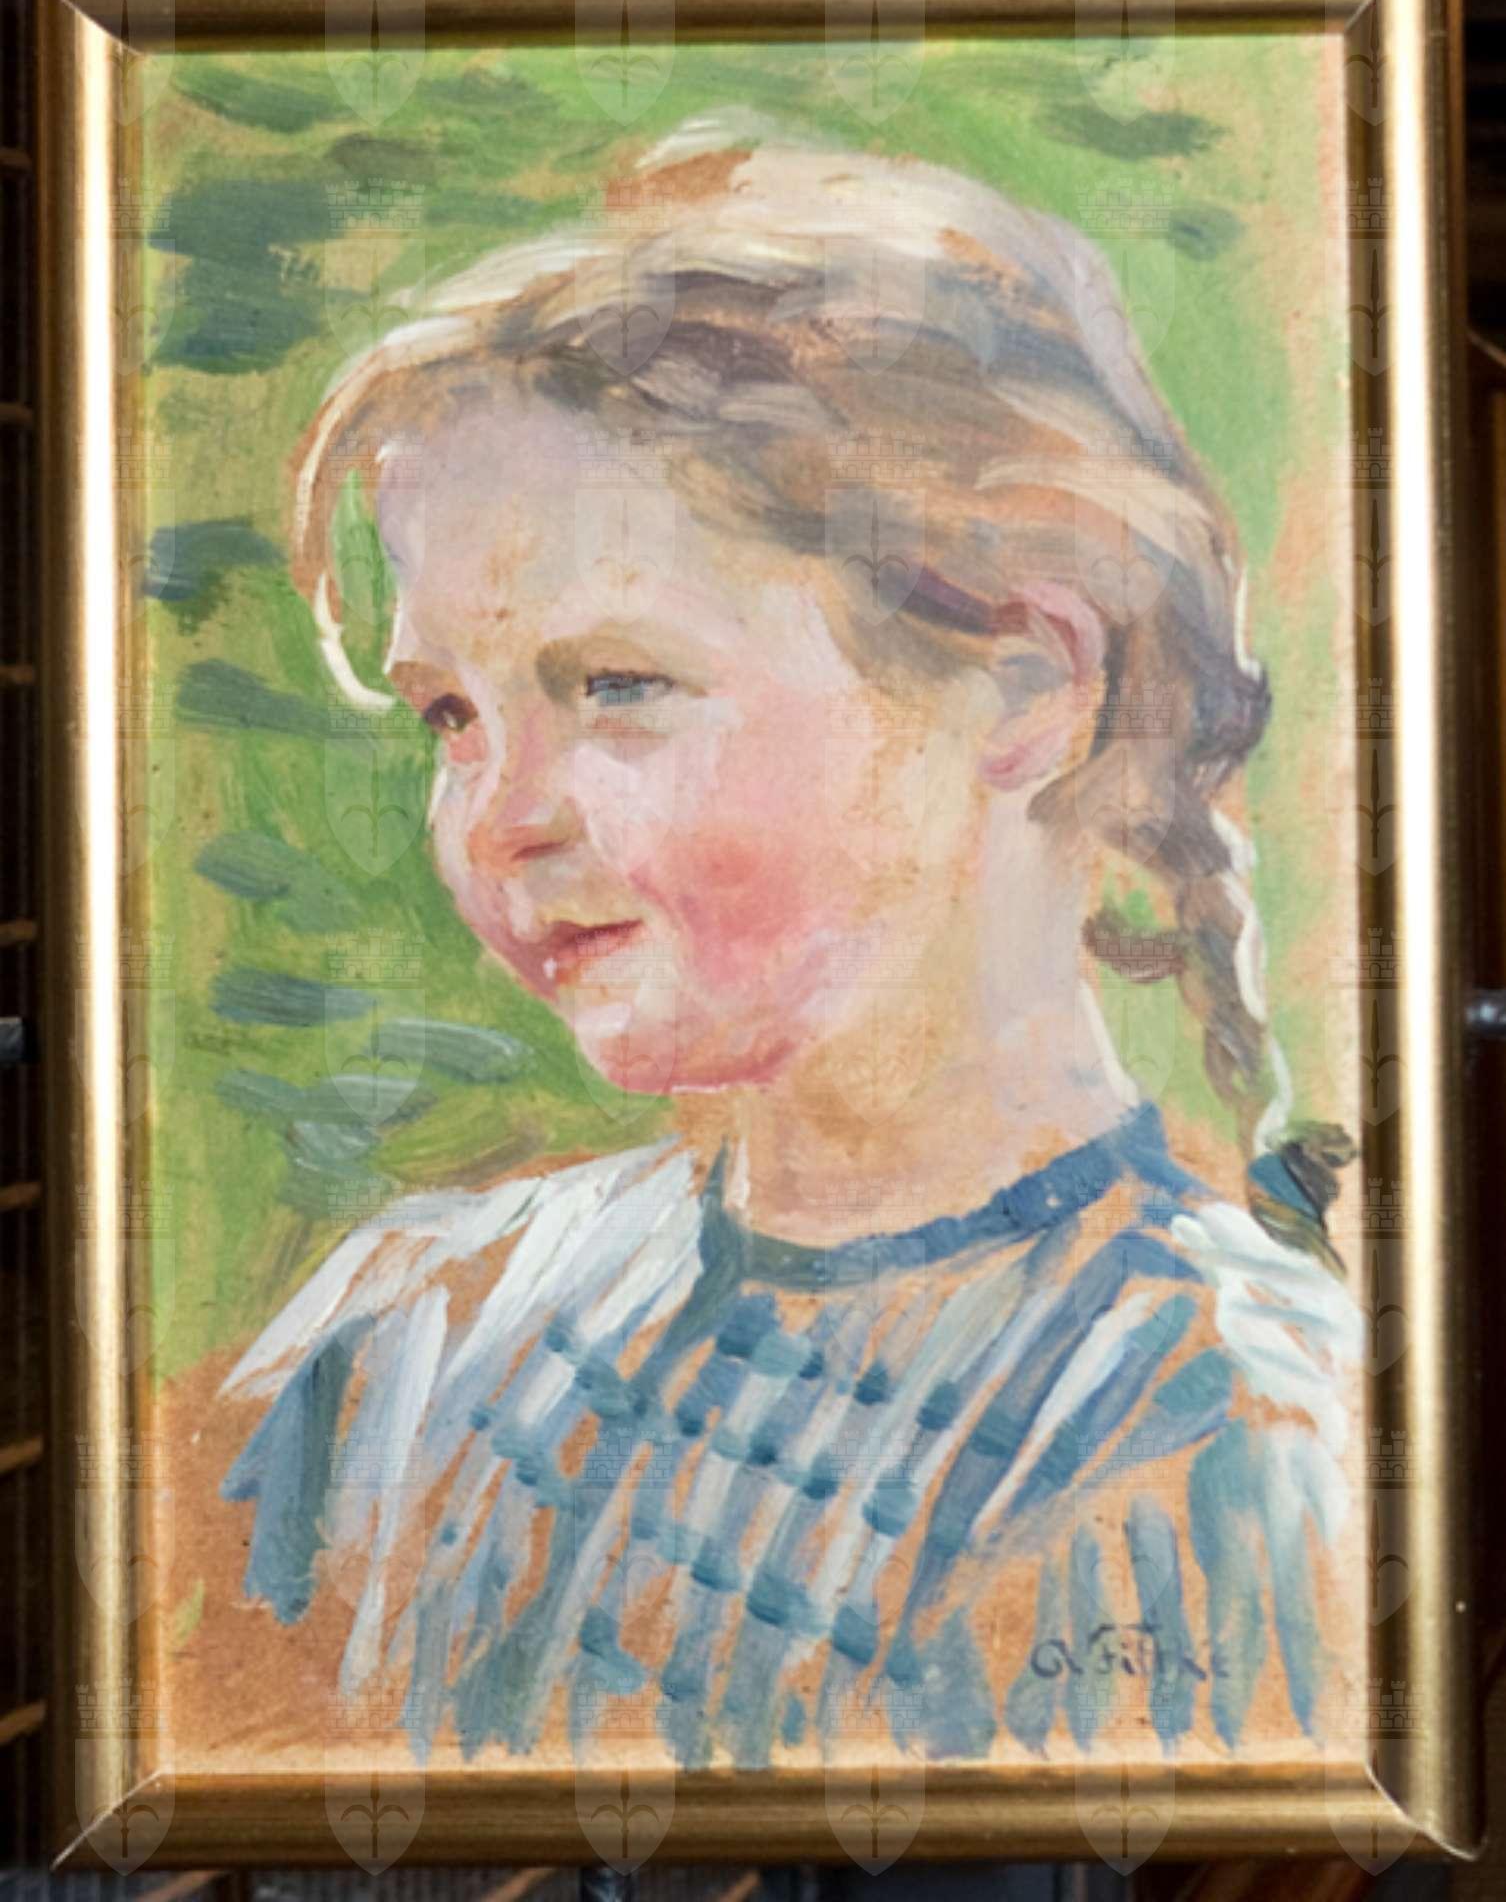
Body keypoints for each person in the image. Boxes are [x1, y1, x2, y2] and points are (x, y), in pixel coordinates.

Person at [173, 112, 1361, 1773]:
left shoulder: (1236, 1441)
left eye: (618, 685)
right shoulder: (401, 1351)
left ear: (1026, 684)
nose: (500, 817)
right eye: (449, 713)